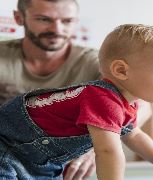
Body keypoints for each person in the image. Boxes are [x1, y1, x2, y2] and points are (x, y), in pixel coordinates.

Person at [0, 24, 153, 179]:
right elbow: (108, 151)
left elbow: (133, 135)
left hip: (38, 160)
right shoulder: (102, 99)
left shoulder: (127, 102)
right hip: (6, 149)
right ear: (121, 71)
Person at [0, 0, 99, 178]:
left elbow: (138, 103)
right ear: (18, 18)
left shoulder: (94, 62)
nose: (57, 30)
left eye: (67, 21)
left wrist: (96, 146)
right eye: (44, 19)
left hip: (66, 166)